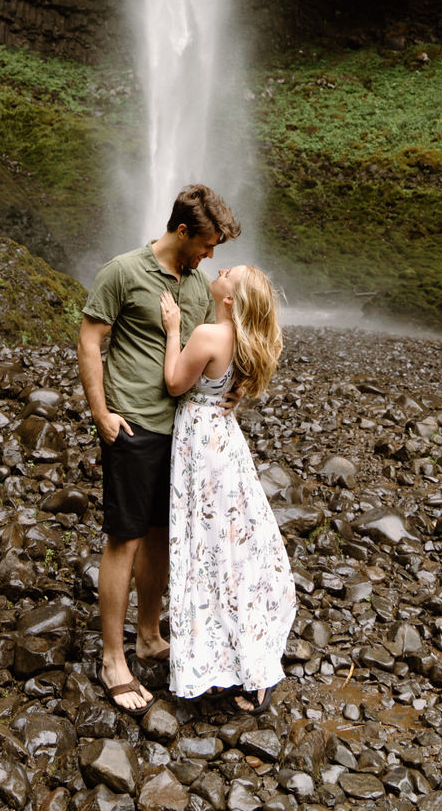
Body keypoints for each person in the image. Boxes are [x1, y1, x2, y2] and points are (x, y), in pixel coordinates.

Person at [78, 184, 241, 713]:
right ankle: (112, 660)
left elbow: (201, 352)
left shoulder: (195, 285)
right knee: (123, 539)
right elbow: (89, 340)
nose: (211, 255)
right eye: (207, 244)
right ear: (181, 231)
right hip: (133, 428)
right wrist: (101, 413)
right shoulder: (123, 272)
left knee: (161, 536)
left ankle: (148, 635)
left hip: (183, 434)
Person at [160, 263, 296, 713]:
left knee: (205, 548)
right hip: (228, 444)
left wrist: (173, 329)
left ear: (230, 299)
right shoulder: (247, 340)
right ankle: (242, 654)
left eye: (227, 273)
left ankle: (218, 659)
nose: (218, 270)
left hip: (200, 444)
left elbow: (176, 382)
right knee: (235, 548)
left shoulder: (207, 336)